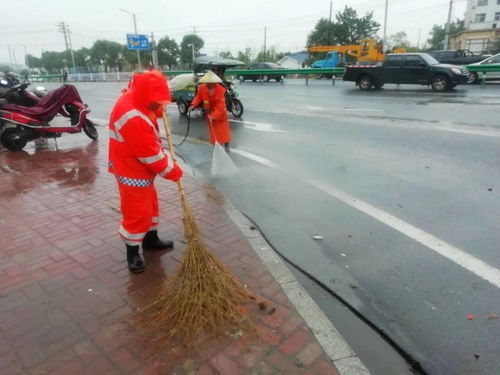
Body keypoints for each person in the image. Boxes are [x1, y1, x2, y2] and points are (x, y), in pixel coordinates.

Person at [108, 70, 183, 273]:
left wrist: (156, 109)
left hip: (136, 167)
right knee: (137, 211)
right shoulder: (132, 117)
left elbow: (147, 110)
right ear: (145, 95)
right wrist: (172, 171)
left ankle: (151, 240)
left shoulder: (135, 97)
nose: (158, 106)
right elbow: (150, 156)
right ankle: (132, 252)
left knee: (150, 204)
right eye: (156, 102)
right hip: (130, 169)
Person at [189, 70, 231, 153]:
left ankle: (226, 144)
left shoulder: (220, 90)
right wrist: (193, 105)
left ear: (215, 82)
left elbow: (220, 106)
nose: (209, 84)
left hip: (220, 115)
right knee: (214, 132)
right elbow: (198, 97)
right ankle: (217, 146)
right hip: (209, 113)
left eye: (211, 82)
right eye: (208, 82)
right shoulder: (202, 88)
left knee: (224, 132)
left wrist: (214, 116)